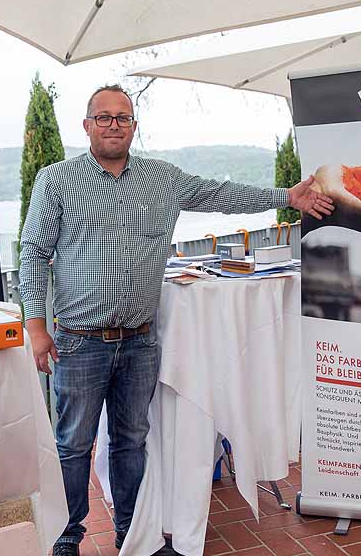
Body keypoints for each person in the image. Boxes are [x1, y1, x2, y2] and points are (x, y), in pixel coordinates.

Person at [18, 84, 333, 556]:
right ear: (86, 125)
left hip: (140, 342)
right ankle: (67, 534)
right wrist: (36, 326)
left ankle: (132, 533)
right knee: (73, 444)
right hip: (79, 341)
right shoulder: (57, 180)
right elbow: (33, 253)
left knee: (131, 442)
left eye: (123, 118)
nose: (113, 125)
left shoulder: (162, 179)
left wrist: (286, 195)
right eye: (103, 117)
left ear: (134, 127)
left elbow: (222, 194)